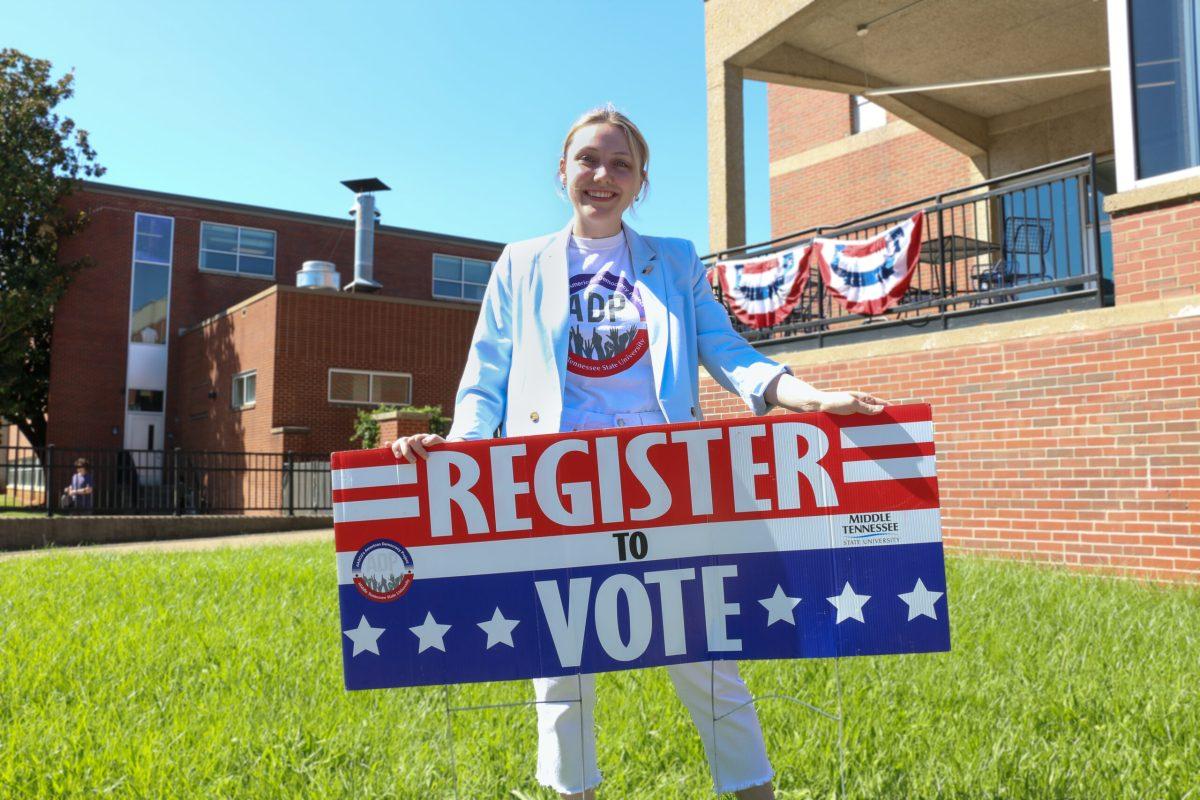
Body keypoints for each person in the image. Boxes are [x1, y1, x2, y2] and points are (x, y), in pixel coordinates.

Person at [390, 104, 887, 800]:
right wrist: (461, 450)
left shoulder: (676, 261)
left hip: (661, 481)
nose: (603, 175)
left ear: (641, 182)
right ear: (561, 171)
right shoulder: (520, 264)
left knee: (706, 655)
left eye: (621, 164)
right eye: (589, 160)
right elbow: (488, 378)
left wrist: (805, 397)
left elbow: (725, 349)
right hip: (553, 484)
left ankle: (753, 791)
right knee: (560, 667)